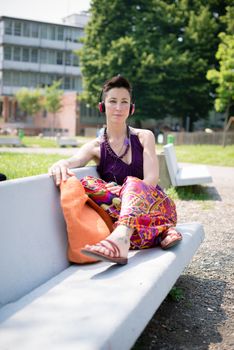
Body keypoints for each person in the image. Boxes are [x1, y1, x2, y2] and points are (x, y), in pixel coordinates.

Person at [49, 75, 182, 265]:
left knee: (133, 183)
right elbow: (76, 160)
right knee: (87, 183)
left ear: (131, 107)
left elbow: (151, 180)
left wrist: (126, 190)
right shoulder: (95, 146)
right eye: (112, 101)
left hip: (156, 208)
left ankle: (121, 238)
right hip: (132, 222)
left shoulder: (145, 137)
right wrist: (62, 162)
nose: (118, 108)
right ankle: (159, 232)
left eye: (124, 102)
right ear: (102, 106)